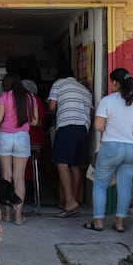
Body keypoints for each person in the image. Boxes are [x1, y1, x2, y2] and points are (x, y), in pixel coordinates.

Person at [83, 68, 133, 232]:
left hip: (111, 148)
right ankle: (119, 224)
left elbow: (99, 126)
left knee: (100, 184)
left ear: (115, 83)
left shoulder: (107, 101)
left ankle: (98, 222)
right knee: (125, 185)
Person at [0, 72, 38, 225]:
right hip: (22, 137)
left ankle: (6, 213)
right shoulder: (30, 97)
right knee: (19, 177)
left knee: (6, 176)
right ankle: (18, 216)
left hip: (5, 137)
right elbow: (34, 121)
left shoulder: (4, 97)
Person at [47, 68, 92, 218]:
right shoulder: (85, 90)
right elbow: (90, 113)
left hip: (66, 126)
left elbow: (52, 106)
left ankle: (70, 200)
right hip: (83, 129)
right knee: (75, 165)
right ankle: (72, 200)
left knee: (61, 162)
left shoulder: (59, 84)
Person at [22, 79, 46, 204]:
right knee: (28, 170)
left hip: (31, 139)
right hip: (31, 139)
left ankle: (29, 197)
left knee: (27, 171)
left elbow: (39, 122)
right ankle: (29, 196)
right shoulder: (35, 100)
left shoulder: (33, 100)